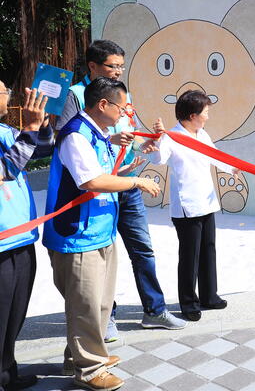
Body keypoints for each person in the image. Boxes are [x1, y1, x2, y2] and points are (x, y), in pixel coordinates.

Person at [57, 40, 185, 344]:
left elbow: (127, 138)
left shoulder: (122, 95)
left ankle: (154, 309)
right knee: (100, 256)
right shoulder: (76, 96)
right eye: (112, 66)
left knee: (142, 248)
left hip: (126, 182)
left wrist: (146, 143)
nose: (118, 71)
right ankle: (107, 317)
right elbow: (68, 138)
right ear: (92, 67)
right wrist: (113, 140)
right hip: (98, 190)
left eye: (121, 66)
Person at [43, 78, 160, 391]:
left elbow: (105, 173)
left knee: (100, 303)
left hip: (100, 232)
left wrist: (131, 164)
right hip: (76, 236)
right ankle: (90, 369)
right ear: (103, 105)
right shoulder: (75, 135)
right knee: (86, 305)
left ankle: (78, 357)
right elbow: (91, 181)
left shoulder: (99, 134)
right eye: (120, 108)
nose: (124, 114)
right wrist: (136, 183)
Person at [148, 90, 239, 321]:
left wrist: (232, 168)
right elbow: (158, 160)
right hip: (187, 206)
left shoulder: (201, 133)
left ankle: (209, 295)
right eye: (205, 112)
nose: (207, 116)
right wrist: (158, 138)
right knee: (190, 255)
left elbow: (214, 156)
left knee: (208, 249)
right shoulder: (172, 137)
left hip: (206, 201)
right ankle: (188, 302)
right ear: (191, 115)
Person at [0, 84, 53, 391]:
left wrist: (42, 123)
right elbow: (6, 169)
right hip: (2, 243)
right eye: (5, 90)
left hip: (20, 237)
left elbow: (41, 150)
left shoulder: (5, 129)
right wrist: (31, 127)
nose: (10, 94)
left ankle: (7, 372)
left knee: (15, 313)